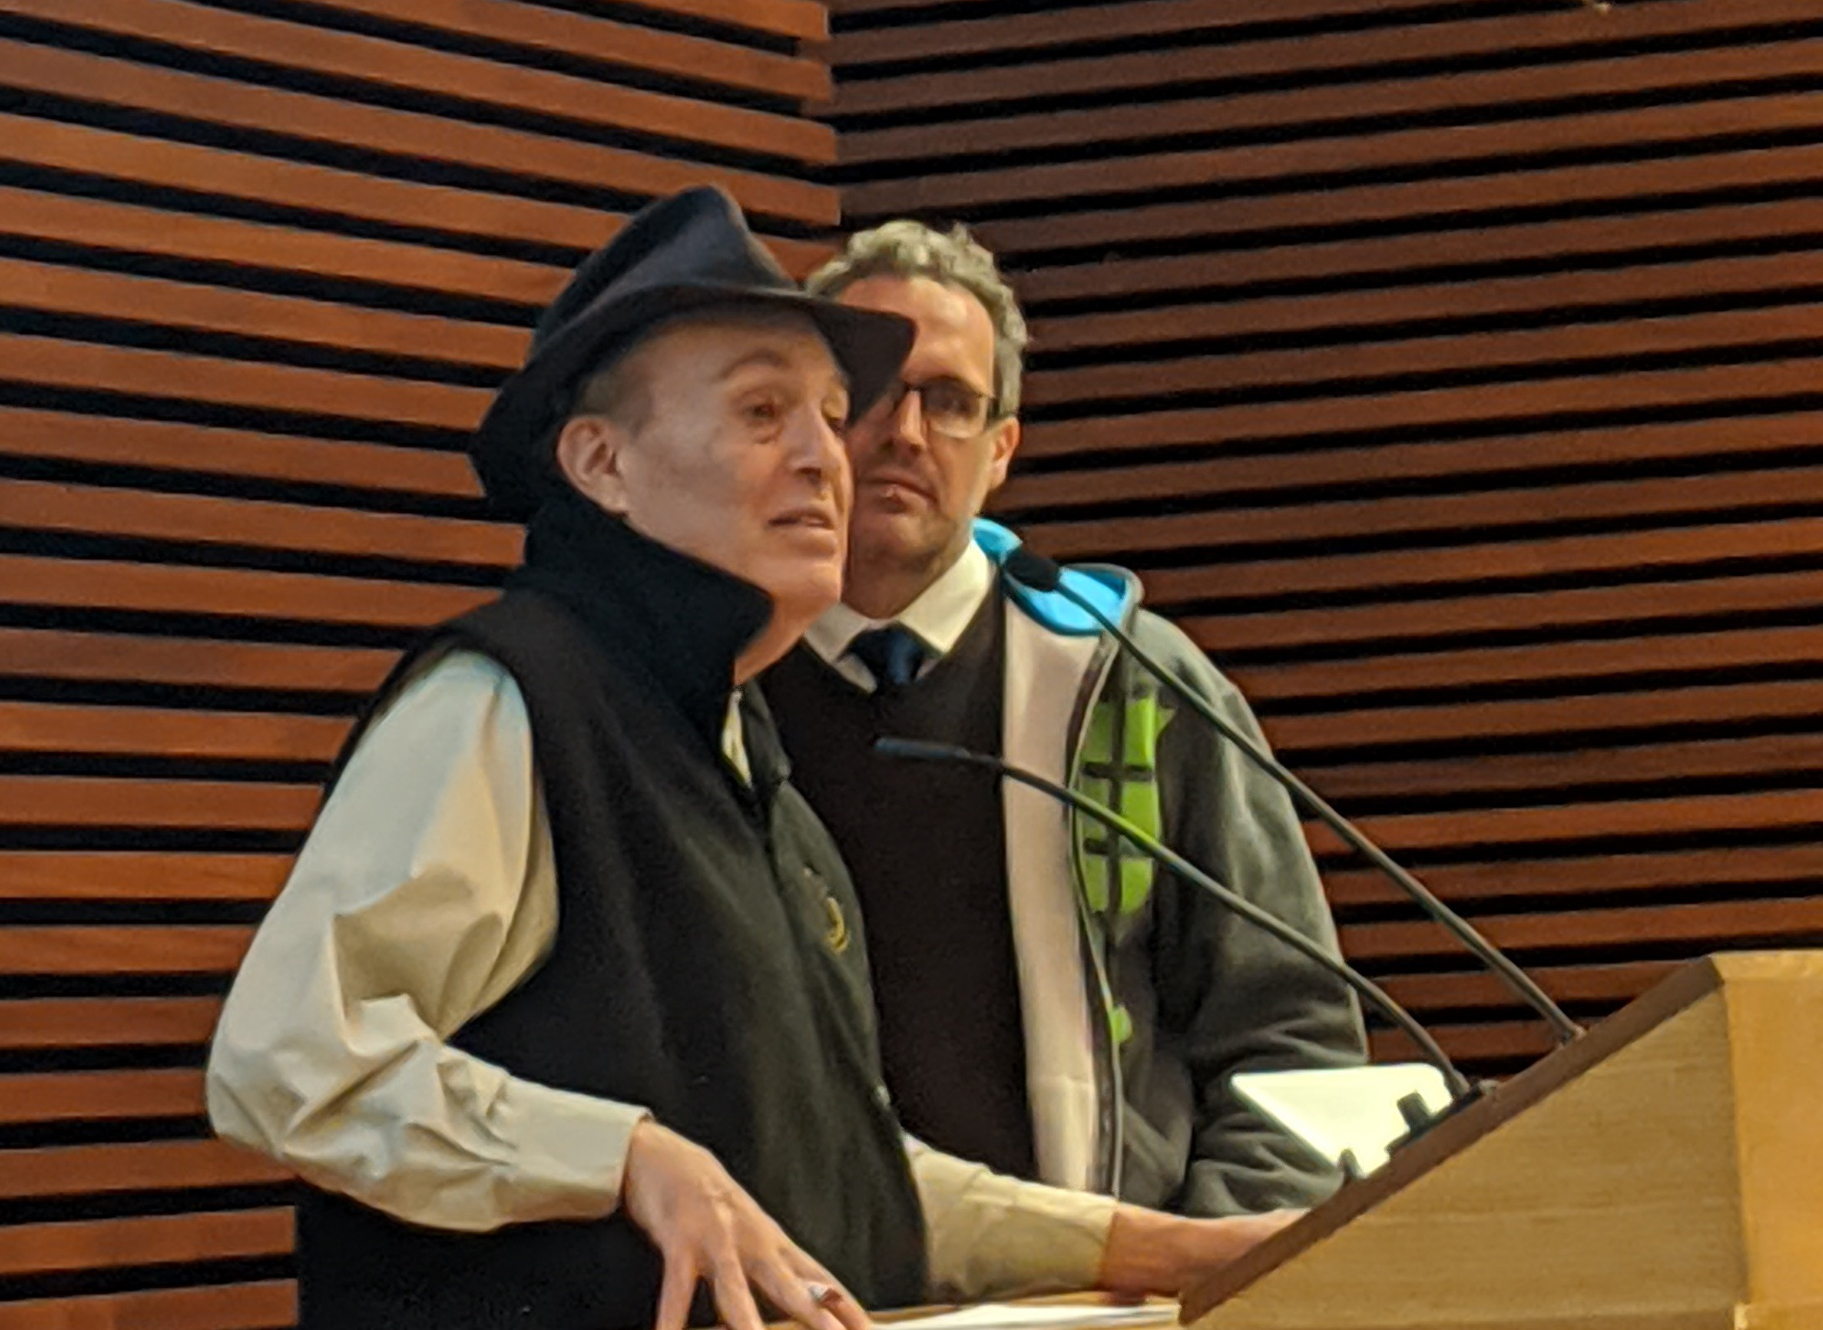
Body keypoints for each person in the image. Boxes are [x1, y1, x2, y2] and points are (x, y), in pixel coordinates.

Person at [206, 188, 1298, 1330]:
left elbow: (845, 1185)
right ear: (601, 463)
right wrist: (621, 1155)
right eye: (762, 411)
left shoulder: (741, 757)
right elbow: (286, 1057)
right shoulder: (508, 699)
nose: (827, 457)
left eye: (830, 414)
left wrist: (1166, 1248)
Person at [765, 221, 1369, 1219]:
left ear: (1000, 449)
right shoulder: (708, 689)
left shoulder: (1133, 682)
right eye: (871, 387)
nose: (904, 432)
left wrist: (1203, 1270)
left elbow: (1290, 1039)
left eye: (951, 402)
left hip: (1111, 1296)